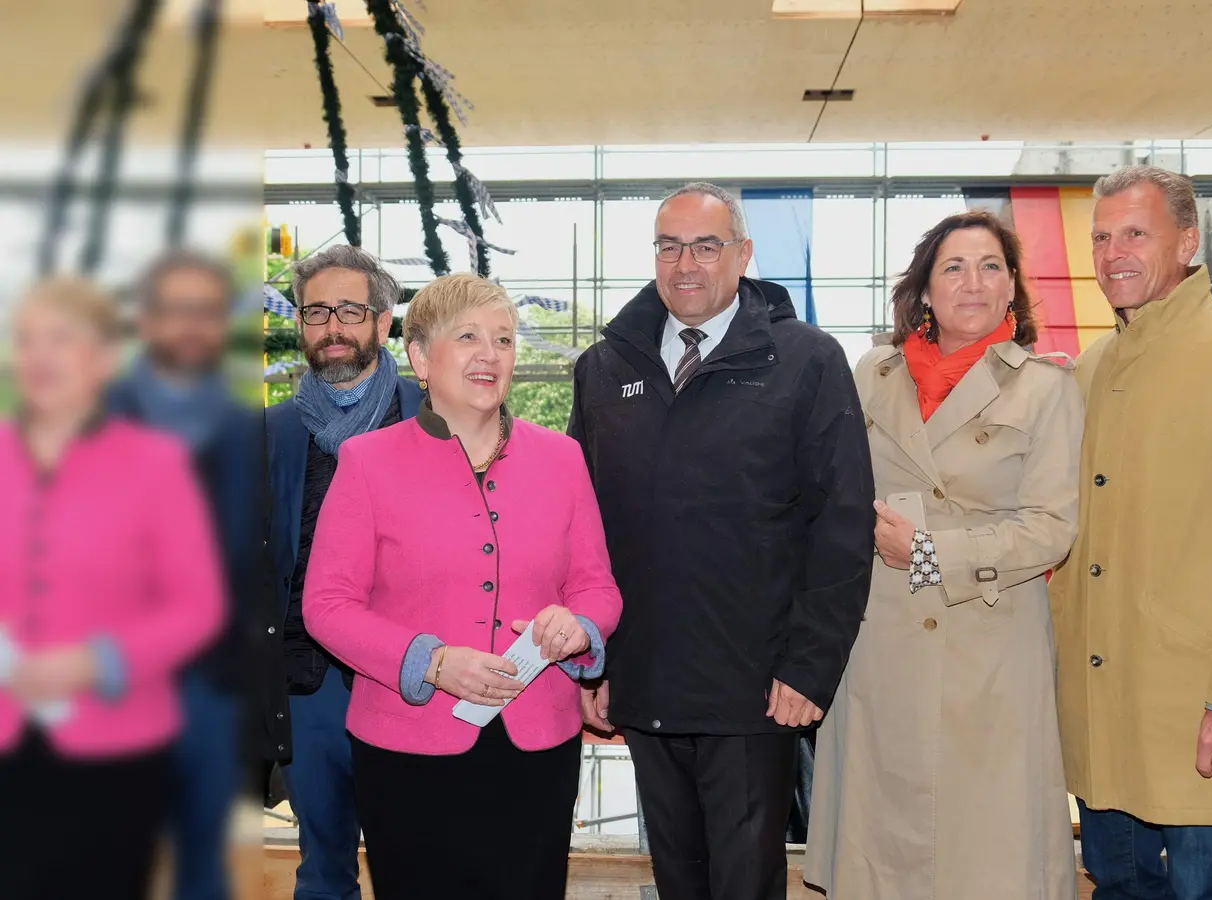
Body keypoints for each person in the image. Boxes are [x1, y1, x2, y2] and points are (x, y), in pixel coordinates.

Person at [568, 182, 875, 900]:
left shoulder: (806, 360)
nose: (686, 264)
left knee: (744, 882)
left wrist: (810, 665)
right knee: (677, 879)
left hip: (755, 688)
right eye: (669, 246)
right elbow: (583, 529)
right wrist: (594, 662)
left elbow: (842, 522)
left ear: (743, 254)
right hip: (644, 677)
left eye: (706, 246)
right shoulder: (604, 369)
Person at [303, 273, 622, 899]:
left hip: (538, 746)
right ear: (421, 358)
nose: (490, 354)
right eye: (468, 337)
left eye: (503, 339)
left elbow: (596, 587)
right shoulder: (367, 461)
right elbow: (327, 606)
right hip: (407, 747)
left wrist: (579, 626)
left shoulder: (562, 458)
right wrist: (431, 661)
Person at [1049, 165, 1212, 900]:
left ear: (1188, 242)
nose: (1112, 254)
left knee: (1201, 888)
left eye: (1136, 233)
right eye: (1101, 237)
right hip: (1100, 708)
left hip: (1197, 709)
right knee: (1117, 884)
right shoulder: (1088, 371)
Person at [804, 211, 1083, 899]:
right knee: (882, 854)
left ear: (1012, 286)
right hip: (881, 647)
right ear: (925, 289)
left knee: (984, 857)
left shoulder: (1047, 388)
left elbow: (1051, 528)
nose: (973, 283)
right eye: (953, 268)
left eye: (991, 267)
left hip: (989, 654)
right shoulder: (872, 374)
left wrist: (930, 553)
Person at [0, 277, 224, 899]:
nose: (40, 356)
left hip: (117, 746)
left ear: (105, 358)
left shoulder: (156, 463)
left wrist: (95, 662)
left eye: (60, 339)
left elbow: (197, 606)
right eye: (27, 340)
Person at [105, 249, 264, 900]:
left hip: (213, 690)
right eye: (176, 309)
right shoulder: (88, 419)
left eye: (207, 310)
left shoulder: (247, 430)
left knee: (203, 862)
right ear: (144, 321)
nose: (192, 326)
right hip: (107, 681)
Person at [266, 244, 421, 900]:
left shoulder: (435, 420)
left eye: (350, 311)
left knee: (417, 862)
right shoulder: (270, 433)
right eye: (316, 312)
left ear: (383, 323)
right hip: (309, 688)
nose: (332, 327)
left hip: (413, 679)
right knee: (323, 870)